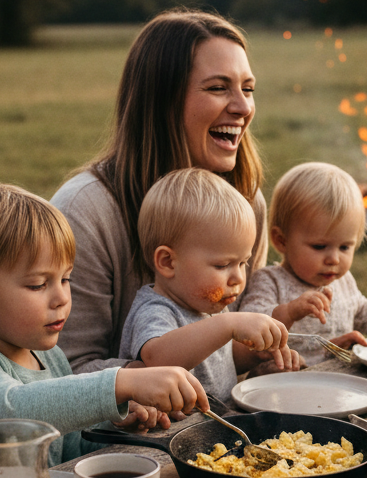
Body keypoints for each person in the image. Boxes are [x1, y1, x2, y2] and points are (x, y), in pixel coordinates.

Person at [52, 9, 267, 374]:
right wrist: (152, 379)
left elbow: (230, 350)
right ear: (161, 101)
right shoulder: (86, 212)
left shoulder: (246, 201)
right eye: (218, 88)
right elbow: (64, 370)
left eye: (247, 89)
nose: (243, 107)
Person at [0, 183, 208, 462]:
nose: (61, 297)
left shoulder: (51, 358)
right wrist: (119, 383)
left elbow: (69, 454)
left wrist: (116, 423)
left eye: (65, 279)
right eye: (38, 284)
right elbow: (11, 413)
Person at [119, 169, 300, 403]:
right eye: (223, 265)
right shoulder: (156, 309)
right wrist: (228, 324)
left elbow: (221, 361)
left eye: (243, 262)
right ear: (168, 262)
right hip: (169, 435)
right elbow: (157, 361)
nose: (238, 278)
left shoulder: (207, 305)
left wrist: (256, 354)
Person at [239, 162, 367, 365]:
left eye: (345, 247)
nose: (334, 259)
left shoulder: (342, 281)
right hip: (283, 383)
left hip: (339, 382)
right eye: (319, 246)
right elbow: (250, 329)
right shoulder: (269, 281)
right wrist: (291, 311)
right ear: (281, 240)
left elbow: (366, 312)